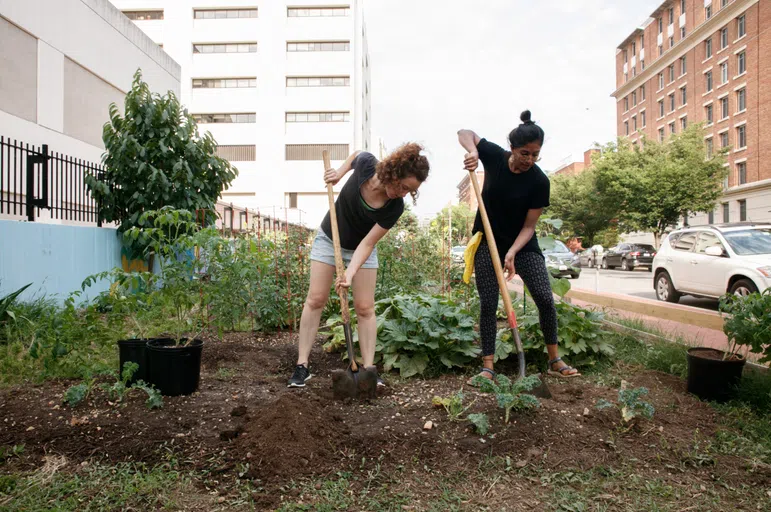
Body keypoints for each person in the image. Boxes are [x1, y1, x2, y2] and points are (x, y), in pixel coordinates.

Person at [287, 144, 431, 388]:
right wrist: (339, 173)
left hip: (361, 249)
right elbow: (356, 156)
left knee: (365, 307)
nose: (404, 193)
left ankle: (368, 370)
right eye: (404, 186)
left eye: (411, 191)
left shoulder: (394, 207)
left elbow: (367, 244)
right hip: (329, 239)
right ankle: (302, 366)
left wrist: (350, 272)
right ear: (394, 173)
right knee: (316, 299)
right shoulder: (367, 166)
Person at [458, 111, 580, 382]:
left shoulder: (539, 181)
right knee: (488, 302)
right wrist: (473, 153)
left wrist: (512, 252)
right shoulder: (494, 157)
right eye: (525, 153)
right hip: (488, 244)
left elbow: (529, 227)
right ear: (512, 148)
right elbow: (464, 132)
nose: (530, 160)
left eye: (536, 154)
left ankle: (554, 359)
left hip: (522, 246)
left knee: (546, 299)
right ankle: (488, 365)